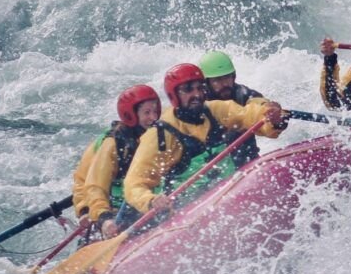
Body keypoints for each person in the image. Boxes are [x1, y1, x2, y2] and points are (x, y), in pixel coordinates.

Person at [122, 63, 287, 218]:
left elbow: (251, 116)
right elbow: (133, 183)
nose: (196, 95)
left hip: (229, 193)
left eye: (199, 88)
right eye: (187, 90)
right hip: (186, 211)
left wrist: (272, 117)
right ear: (174, 96)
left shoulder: (215, 109)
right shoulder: (159, 134)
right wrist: (150, 200)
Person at [83, 85, 162, 239]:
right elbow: (95, 187)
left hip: (149, 200)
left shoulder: (161, 134)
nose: (153, 118)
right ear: (131, 115)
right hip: (120, 211)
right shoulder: (114, 145)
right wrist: (104, 219)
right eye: (146, 113)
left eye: (155, 111)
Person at [197, 50, 266, 166]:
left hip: (248, 165)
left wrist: (269, 112)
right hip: (215, 171)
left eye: (227, 77)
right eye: (217, 80)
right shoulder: (197, 105)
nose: (224, 84)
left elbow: (259, 104)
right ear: (206, 83)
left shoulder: (243, 94)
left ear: (233, 77)